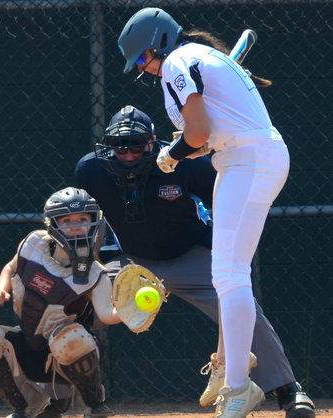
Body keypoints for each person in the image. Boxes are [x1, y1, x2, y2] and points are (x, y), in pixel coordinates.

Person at [117, 7, 306, 418]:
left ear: (159, 44)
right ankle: (228, 366)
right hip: (242, 158)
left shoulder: (179, 61)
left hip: (248, 160)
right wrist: (186, 146)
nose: (146, 70)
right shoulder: (202, 57)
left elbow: (198, 134)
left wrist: (173, 153)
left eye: (144, 59)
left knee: (230, 275)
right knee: (227, 273)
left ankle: (239, 386)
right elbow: (206, 138)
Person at [75, 105, 316, 418]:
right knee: (70, 303)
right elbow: (85, 224)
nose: (128, 155)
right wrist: (84, 272)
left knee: (238, 301)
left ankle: (287, 390)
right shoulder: (91, 171)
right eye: (120, 147)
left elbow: (226, 196)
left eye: (136, 145)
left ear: (153, 142)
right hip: (128, 259)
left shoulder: (184, 164)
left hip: (190, 253)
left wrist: (224, 249)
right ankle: (54, 399)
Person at [0, 187, 120, 418]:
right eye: (67, 220)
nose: (75, 226)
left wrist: (131, 310)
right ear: (53, 224)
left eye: (82, 219)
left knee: (71, 337)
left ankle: (94, 406)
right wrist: (0, 290)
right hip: (30, 345)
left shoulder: (96, 274)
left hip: (70, 355)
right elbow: (10, 267)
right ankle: (24, 407)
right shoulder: (33, 244)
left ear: (94, 223)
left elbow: (106, 315)